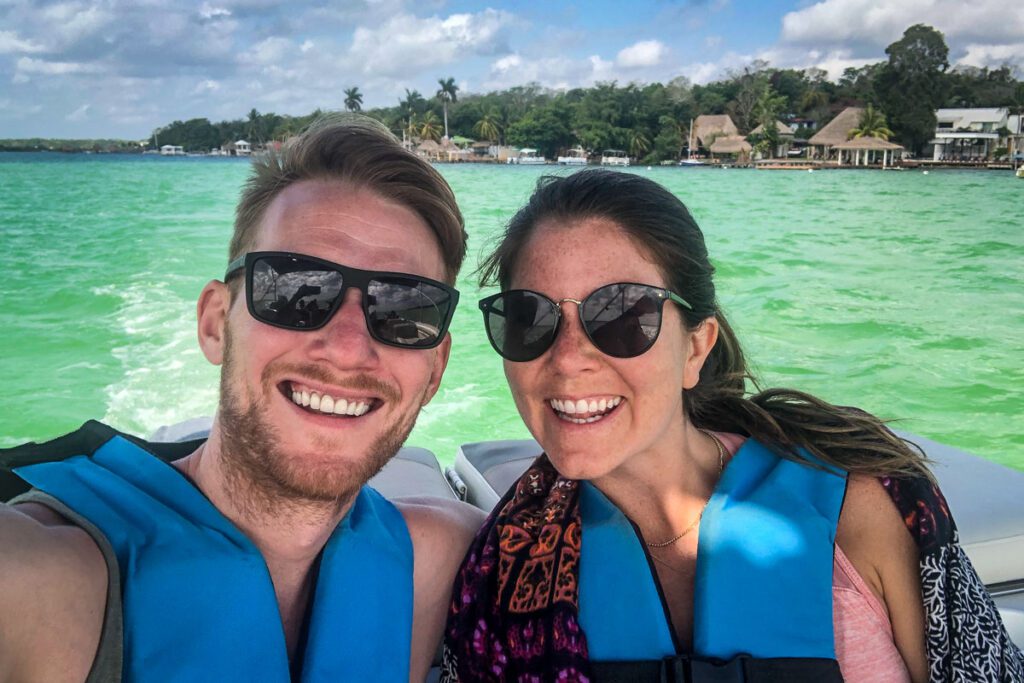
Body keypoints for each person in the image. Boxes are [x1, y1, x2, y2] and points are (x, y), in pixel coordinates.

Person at [443, 169, 1022, 682]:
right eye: (529, 317)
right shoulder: (501, 569)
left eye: (622, 314)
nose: (568, 359)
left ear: (697, 347)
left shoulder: (864, 506)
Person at [0, 116, 485, 682]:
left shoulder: (440, 556)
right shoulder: (45, 572)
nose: (350, 348)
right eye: (296, 289)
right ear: (215, 324)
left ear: (435, 371)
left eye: (403, 311)